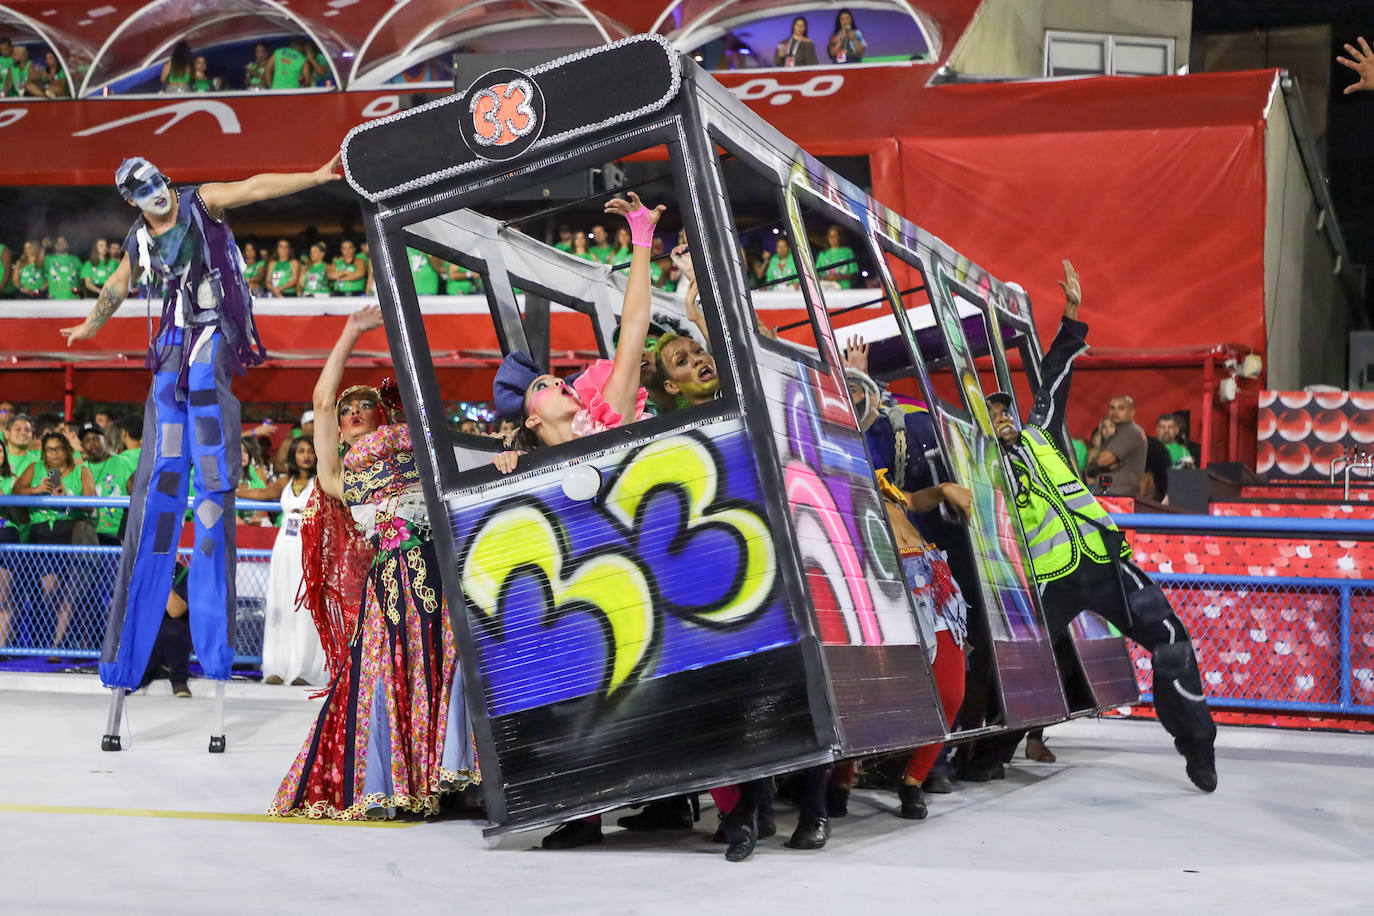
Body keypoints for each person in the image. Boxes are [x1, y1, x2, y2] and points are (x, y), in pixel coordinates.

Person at [59, 152, 342, 693]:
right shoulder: (138, 239)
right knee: (167, 406)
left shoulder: (200, 201)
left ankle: (213, 458)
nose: (158, 190)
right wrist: (91, 326)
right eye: (145, 188)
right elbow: (119, 284)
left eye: (159, 180)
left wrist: (313, 176)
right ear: (132, 199)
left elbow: (255, 182)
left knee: (205, 378)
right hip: (175, 333)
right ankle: (170, 467)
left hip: (215, 326)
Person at [984, 261, 1217, 792]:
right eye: (992, 413)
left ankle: (1197, 748)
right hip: (1051, 579)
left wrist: (1070, 317)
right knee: (1018, 663)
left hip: (1105, 563)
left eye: (1005, 409)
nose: (1002, 417)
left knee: (1173, 642)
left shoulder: (1039, 433)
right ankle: (985, 753)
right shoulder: (982, 463)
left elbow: (1054, 378)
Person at [270, 304, 478, 818]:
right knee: (389, 677)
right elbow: (320, 401)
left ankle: (458, 780)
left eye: (364, 404)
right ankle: (403, 787)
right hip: (388, 588)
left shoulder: (415, 449)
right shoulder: (335, 477)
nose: (352, 411)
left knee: (450, 669)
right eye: (347, 410)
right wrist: (351, 332)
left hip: (441, 572)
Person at [252, 436, 325, 686]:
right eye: (301, 451)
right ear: (293, 454)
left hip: (311, 548)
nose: (306, 455)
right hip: (283, 548)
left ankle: (305, 668)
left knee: (306, 608)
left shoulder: (322, 482)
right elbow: (261, 493)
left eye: (310, 451)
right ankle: (277, 667)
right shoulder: (285, 481)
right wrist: (228, 489)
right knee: (281, 604)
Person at [14, 431, 96, 652]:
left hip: (74, 535)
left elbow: (91, 503)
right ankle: (66, 635)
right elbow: (16, 491)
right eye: (49, 449)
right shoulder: (35, 469)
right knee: (50, 589)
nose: (54, 453)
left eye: (58, 448)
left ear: (67, 450)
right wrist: (37, 490)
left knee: (71, 592)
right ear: (43, 452)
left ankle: (57, 644)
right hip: (43, 534)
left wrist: (67, 498)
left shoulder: (82, 471)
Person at [1084, 395, 1147, 496]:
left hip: (1120, 497)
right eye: (1112, 408)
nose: (1115, 412)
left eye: (1121, 408)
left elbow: (1102, 461)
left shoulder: (1130, 432)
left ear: (1132, 411)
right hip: (1111, 494)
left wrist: (1094, 464)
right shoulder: (1117, 434)